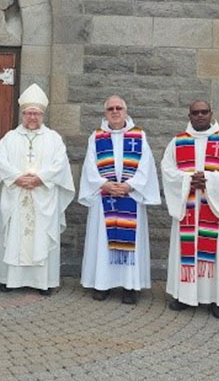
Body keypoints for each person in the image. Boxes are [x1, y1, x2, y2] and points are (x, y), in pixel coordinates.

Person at [161, 100, 219, 318]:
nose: (200, 116)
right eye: (195, 113)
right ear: (189, 116)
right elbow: (167, 171)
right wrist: (189, 180)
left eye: (204, 112)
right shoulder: (178, 142)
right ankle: (184, 296)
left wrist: (208, 179)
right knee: (185, 251)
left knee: (218, 253)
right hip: (187, 207)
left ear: (211, 113)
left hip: (215, 208)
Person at [0, 84, 74, 295]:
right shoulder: (9, 138)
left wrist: (39, 179)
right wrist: (17, 178)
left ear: (42, 114)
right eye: (28, 113)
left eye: (36, 113)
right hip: (16, 195)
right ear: (22, 114)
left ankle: (43, 282)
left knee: (41, 237)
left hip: (42, 196)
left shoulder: (53, 138)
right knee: (14, 236)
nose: (32, 117)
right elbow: (1, 162)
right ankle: (9, 279)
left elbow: (60, 164)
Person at [79, 96, 160, 304]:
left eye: (119, 108)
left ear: (126, 110)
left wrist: (130, 185)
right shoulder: (96, 137)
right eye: (110, 109)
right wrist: (103, 184)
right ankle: (102, 285)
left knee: (130, 243)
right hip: (103, 197)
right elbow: (89, 166)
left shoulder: (139, 136)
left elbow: (146, 166)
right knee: (103, 242)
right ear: (105, 113)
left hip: (129, 196)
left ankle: (130, 287)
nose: (115, 112)